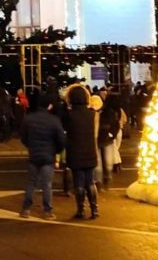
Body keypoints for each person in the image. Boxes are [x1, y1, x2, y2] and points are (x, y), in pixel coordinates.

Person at [19, 95, 66, 220]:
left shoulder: (29, 119)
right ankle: (47, 211)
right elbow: (61, 139)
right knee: (47, 184)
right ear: (49, 106)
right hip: (48, 155)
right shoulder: (54, 120)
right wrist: (57, 151)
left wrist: (30, 146)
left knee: (31, 182)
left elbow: (23, 137)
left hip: (34, 154)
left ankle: (26, 209)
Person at [64, 84, 99, 219]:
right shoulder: (92, 114)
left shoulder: (69, 115)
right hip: (90, 150)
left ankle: (81, 210)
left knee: (78, 182)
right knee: (90, 181)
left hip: (75, 151)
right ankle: (94, 209)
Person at [95, 95, 120, 189]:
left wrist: (111, 135)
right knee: (98, 163)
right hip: (96, 141)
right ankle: (99, 182)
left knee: (108, 162)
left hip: (106, 140)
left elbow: (115, 125)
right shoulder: (91, 113)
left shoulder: (109, 112)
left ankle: (107, 178)